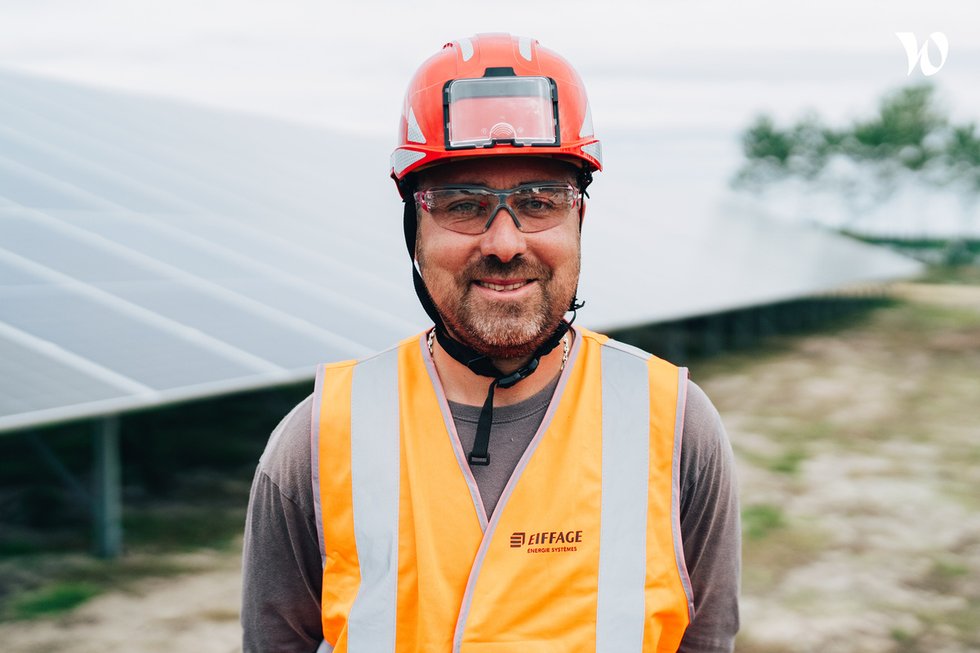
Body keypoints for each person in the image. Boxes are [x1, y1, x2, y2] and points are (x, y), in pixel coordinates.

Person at [242, 33, 740, 653]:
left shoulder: (677, 426)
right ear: (413, 228)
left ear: (578, 221)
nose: (505, 242)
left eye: (538, 202)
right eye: (463, 203)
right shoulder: (316, 439)